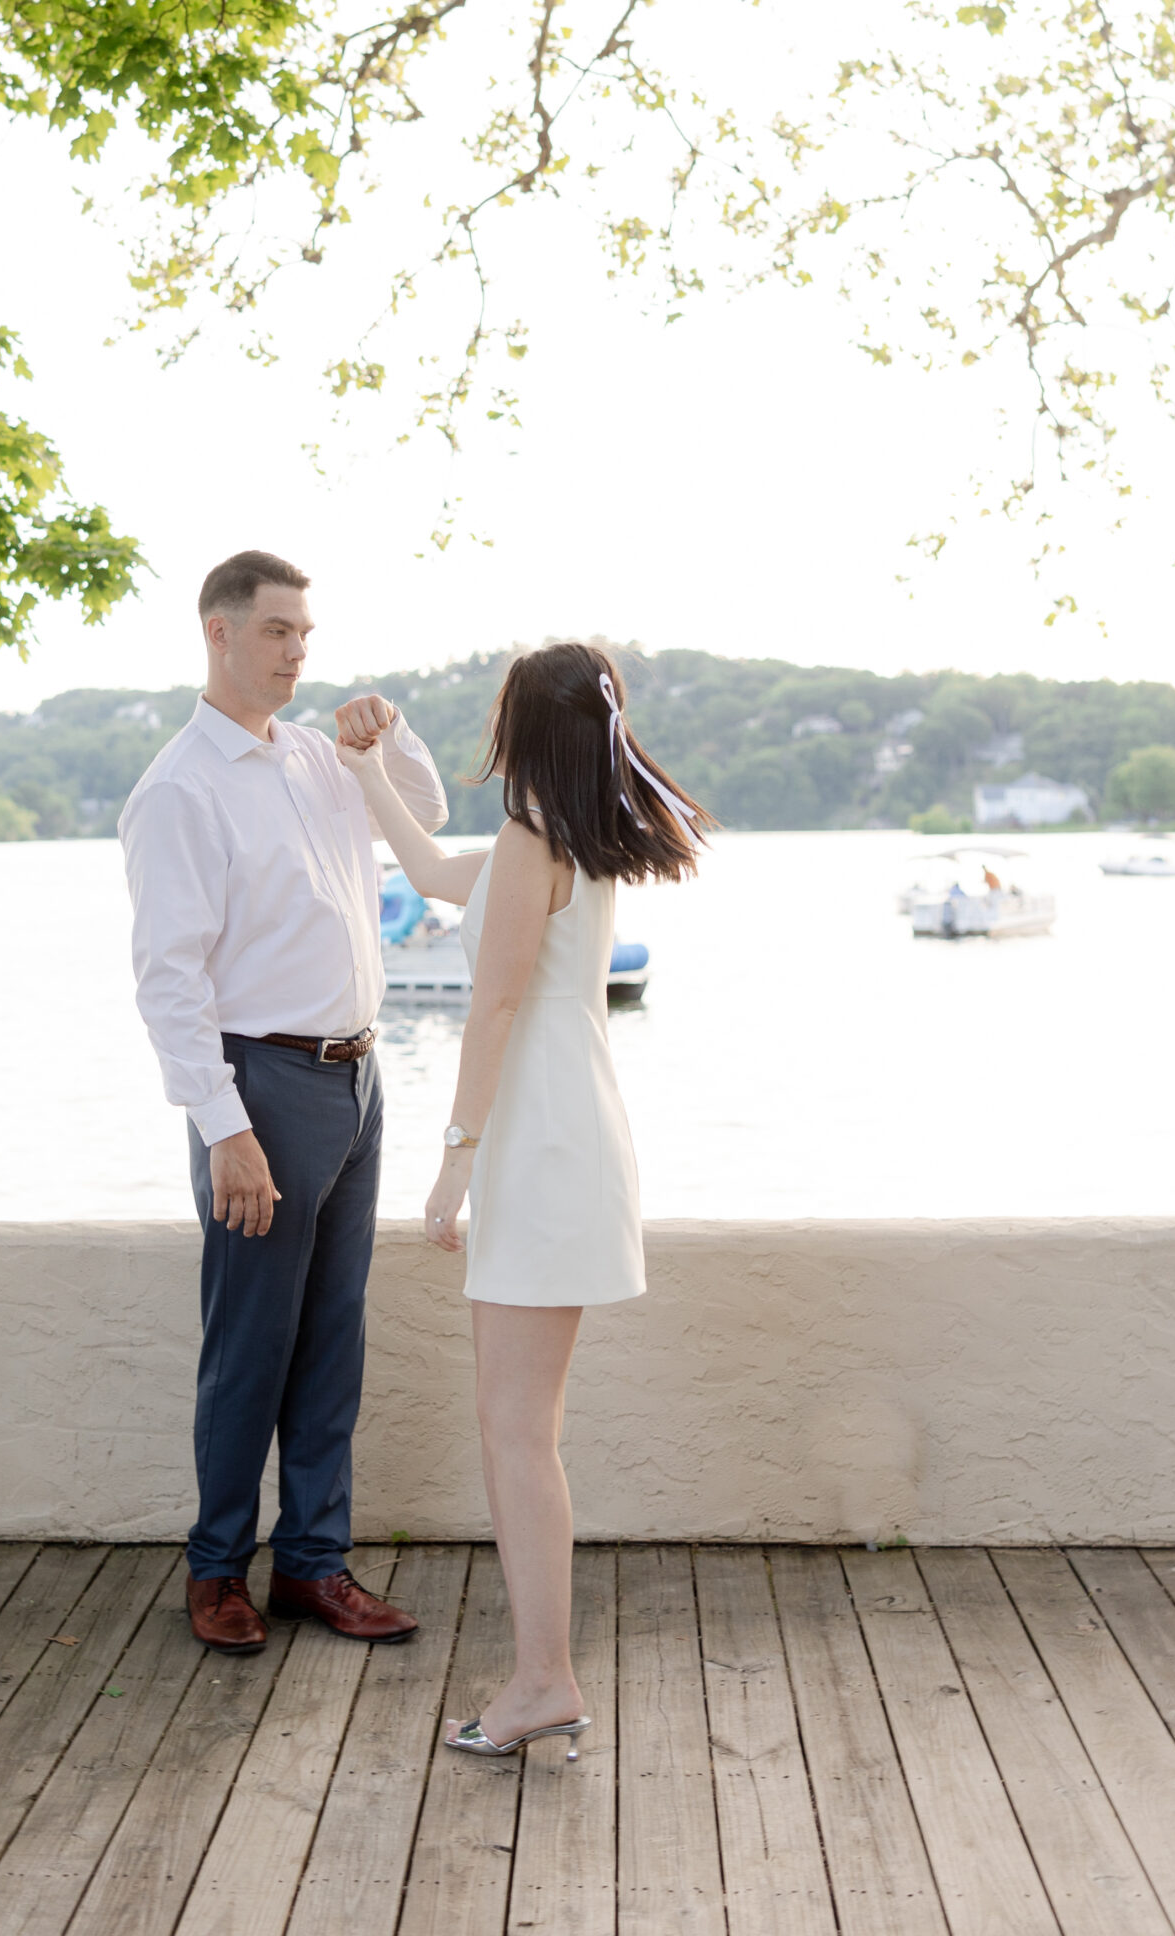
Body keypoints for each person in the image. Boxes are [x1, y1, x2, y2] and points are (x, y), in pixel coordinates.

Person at [336, 642, 713, 1760]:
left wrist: (454, 1155)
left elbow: (490, 1008)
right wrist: (366, 781)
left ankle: (545, 1677)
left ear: (518, 723)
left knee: (515, 1433)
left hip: (540, 1141)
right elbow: (442, 879)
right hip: (566, 1133)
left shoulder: (535, 837)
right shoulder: (570, 838)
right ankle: (543, 1675)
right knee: (520, 1431)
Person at [120, 549, 449, 1653]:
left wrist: (387, 735)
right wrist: (225, 1126)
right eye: (276, 631)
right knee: (250, 1340)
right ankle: (218, 1569)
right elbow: (170, 978)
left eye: (304, 630)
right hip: (262, 1083)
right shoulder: (178, 789)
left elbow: (428, 814)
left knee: (333, 1334)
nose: (298, 648)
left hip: (358, 1077)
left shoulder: (317, 755)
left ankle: (315, 1562)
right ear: (217, 632)